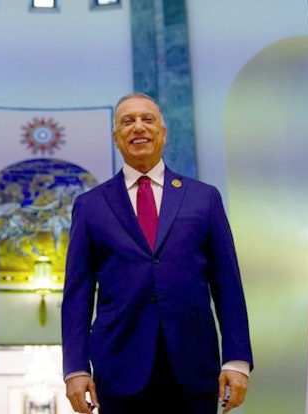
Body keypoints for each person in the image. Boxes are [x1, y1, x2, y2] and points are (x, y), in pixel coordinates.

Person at [61, 93, 253, 414]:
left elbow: (227, 284)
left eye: (147, 120)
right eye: (127, 121)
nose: (138, 128)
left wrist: (236, 359)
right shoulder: (90, 205)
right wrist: (76, 368)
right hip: (118, 366)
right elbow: (78, 294)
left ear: (163, 134)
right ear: (116, 138)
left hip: (194, 364)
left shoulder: (204, 198)